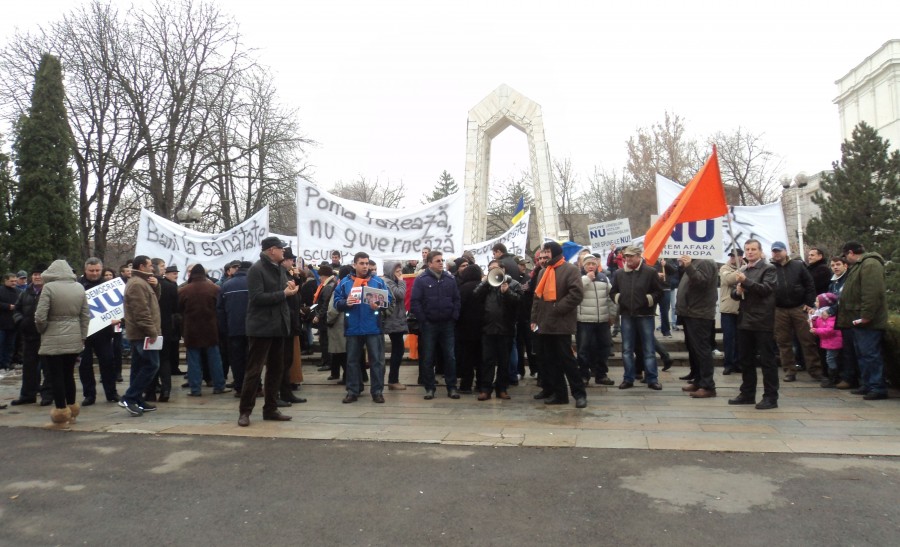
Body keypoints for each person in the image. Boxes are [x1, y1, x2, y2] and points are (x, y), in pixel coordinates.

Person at [238, 237, 298, 426]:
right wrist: (283, 293)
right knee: (254, 370)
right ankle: (245, 411)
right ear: (272, 250)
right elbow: (256, 297)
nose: (284, 252)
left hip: (278, 326)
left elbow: (278, 292)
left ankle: (270, 409)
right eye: (281, 249)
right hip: (261, 327)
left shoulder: (280, 269)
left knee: (276, 369)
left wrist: (287, 287)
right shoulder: (256, 269)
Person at [35, 260, 91, 426]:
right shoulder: (79, 288)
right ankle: (72, 409)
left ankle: (61, 412)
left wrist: (42, 329)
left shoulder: (49, 288)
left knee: (55, 375)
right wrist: (82, 335)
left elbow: (40, 316)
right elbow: (85, 315)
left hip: (53, 335)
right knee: (69, 374)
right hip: (74, 335)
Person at [530, 241, 586, 408]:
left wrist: (557, 308)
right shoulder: (542, 272)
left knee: (567, 361)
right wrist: (534, 319)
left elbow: (576, 294)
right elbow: (537, 298)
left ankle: (579, 394)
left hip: (561, 324)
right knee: (551, 361)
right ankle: (560, 394)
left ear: (554, 253)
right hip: (545, 324)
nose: (544, 255)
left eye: (546, 252)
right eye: (542, 252)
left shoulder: (570, 270)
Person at [332, 252, 390, 404]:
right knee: (351, 361)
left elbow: (389, 301)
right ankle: (352, 391)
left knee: (376, 361)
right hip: (353, 328)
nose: (365, 266)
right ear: (355, 264)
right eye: (362, 263)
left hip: (373, 327)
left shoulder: (378, 281)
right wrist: (346, 303)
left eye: (366, 263)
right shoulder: (345, 282)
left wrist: (379, 304)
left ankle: (377, 392)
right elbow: (336, 302)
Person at [729, 239, 779, 410]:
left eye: (753, 249)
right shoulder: (742, 269)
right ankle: (747, 393)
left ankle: (770, 396)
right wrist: (738, 291)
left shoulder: (768, 268)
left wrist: (747, 282)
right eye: (747, 249)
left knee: (767, 360)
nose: (750, 252)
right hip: (745, 319)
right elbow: (734, 295)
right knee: (746, 359)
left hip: (762, 320)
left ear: (760, 251)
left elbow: (766, 289)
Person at [835, 241, 888, 400]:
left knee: (870, 354)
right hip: (857, 319)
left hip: (868, 321)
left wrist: (866, 315)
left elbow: (871, 292)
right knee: (863, 354)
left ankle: (877, 386)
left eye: (845, 256)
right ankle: (867, 384)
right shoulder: (860, 265)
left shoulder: (870, 264)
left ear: (850, 252)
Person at [609, 246, 664, 391]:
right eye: (626, 256)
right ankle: (628, 378)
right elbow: (613, 292)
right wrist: (620, 299)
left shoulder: (650, 272)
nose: (628, 259)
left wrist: (647, 300)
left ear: (639, 256)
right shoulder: (619, 273)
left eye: (631, 256)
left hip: (645, 315)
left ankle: (652, 378)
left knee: (649, 349)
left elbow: (659, 292)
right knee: (627, 349)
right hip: (626, 315)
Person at [770, 240, 823, 382]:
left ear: (785, 251)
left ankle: (815, 370)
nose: (776, 253)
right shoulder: (769, 268)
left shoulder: (798, 265)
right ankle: (789, 371)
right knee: (783, 342)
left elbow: (809, 284)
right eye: (774, 251)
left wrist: (809, 303)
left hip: (799, 308)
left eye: (779, 251)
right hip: (779, 309)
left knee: (808, 340)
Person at [411, 250, 461, 400]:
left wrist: (454, 316)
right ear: (430, 263)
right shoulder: (422, 280)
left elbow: (456, 299)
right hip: (429, 324)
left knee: (450, 356)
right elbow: (415, 302)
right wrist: (423, 320)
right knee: (428, 357)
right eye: (438, 260)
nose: (441, 262)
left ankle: (451, 387)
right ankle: (429, 388)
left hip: (447, 324)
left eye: (442, 260)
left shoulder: (449, 279)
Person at [473, 259, 521, 400]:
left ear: (503, 269)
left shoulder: (514, 284)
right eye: (490, 269)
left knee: (504, 361)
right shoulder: (487, 285)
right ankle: (486, 389)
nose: (492, 271)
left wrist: (507, 292)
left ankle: (502, 388)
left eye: (495, 268)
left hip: (506, 329)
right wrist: (485, 282)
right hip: (488, 329)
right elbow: (475, 295)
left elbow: (519, 303)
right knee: (487, 360)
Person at [179, 264, 230, 397]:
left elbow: (178, 310)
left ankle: (195, 389)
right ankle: (219, 385)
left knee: (193, 360)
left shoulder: (184, 290)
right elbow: (220, 308)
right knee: (215, 358)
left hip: (191, 329)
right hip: (211, 328)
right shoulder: (215, 289)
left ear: (191, 275)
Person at [120, 256, 161, 417]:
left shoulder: (142, 282)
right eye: (150, 265)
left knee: (138, 367)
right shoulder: (137, 284)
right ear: (142, 266)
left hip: (141, 333)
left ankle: (137, 399)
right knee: (152, 365)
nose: (153, 268)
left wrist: (156, 287)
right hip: (142, 334)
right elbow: (141, 311)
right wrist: (152, 332)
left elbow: (154, 302)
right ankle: (130, 398)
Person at [77, 258, 120, 406]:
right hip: (84, 333)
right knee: (85, 365)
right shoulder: (77, 285)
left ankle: (111, 392)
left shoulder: (109, 285)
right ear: (85, 270)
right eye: (91, 270)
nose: (95, 273)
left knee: (108, 362)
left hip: (104, 332)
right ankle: (89, 395)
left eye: (97, 270)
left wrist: (118, 318)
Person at [675, 257, 719, 399]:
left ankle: (707, 386)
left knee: (702, 350)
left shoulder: (704, 261)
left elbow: (701, 282)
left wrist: (688, 266)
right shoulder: (696, 262)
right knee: (694, 349)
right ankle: (699, 380)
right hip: (690, 312)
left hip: (699, 313)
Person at [11, 264, 51, 406]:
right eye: (35, 274)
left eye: (40, 274)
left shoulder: (49, 291)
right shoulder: (25, 292)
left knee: (48, 367)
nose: (37, 276)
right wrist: (20, 321)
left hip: (45, 335)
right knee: (29, 367)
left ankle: (47, 395)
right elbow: (17, 309)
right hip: (29, 336)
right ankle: (28, 395)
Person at [576, 255, 615, 386]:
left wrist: (612, 315)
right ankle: (583, 375)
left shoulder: (604, 278)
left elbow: (611, 297)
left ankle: (601, 374)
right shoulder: (578, 277)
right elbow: (575, 291)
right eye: (588, 264)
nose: (591, 266)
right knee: (583, 349)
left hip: (602, 320)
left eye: (593, 263)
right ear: (583, 266)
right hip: (584, 320)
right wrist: (587, 279)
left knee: (604, 348)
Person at [217, 261, 251, 396]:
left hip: (233, 329)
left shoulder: (226, 285)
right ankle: (254, 387)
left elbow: (220, 310)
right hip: (252, 328)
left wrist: (224, 328)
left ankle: (239, 387)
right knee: (252, 359)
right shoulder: (253, 283)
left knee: (236, 360)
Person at [382, 261, 409, 391]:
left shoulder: (392, 282)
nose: (400, 274)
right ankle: (393, 380)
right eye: (397, 271)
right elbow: (400, 295)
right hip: (393, 321)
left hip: (396, 320)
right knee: (398, 350)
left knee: (399, 350)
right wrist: (402, 282)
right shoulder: (388, 282)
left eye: (400, 271)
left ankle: (393, 379)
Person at [719, 249, 743, 375]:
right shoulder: (724, 268)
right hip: (728, 308)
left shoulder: (746, 267)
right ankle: (728, 364)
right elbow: (728, 280)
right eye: (731, 256)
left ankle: (738, 362)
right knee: (729, 338)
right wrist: (744, 272)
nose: (733, 258)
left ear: (741, 257)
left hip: (742, 309)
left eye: (735, 256)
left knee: (740, 339)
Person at [810, 293, 843, 386]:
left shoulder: (830, 316)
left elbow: (830, 330)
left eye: (817, 301)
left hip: (833, 341)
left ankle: (833, 377)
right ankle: (832, 376)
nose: (815, 303)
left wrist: (816, 330)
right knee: (829, 358)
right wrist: (813, 320)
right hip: (828, 341)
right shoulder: (821, 314)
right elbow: (819, 325)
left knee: (830, 359)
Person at [0, 273, 20, 371]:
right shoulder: (1, 290)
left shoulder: (18, 291)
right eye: (12, 281)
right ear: (6, 281)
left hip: (13, 324)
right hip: (2, 323)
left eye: (15, 281)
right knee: (1, 344)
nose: (14, 283)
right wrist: (8, 306)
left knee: (10, 345)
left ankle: (7, 363)